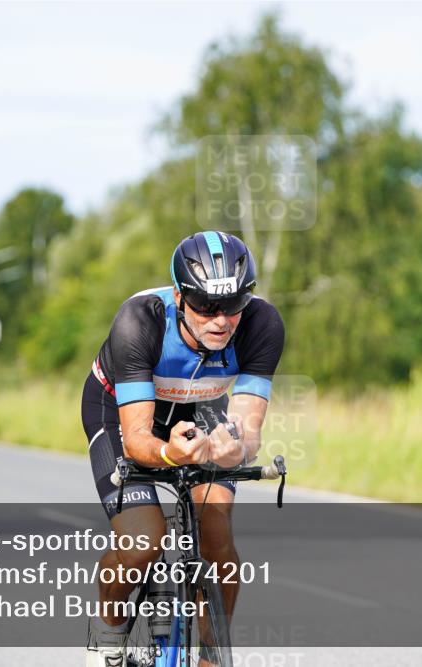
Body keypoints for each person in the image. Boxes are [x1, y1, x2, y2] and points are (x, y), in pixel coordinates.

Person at [83, 231, 284, 666]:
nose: (221, 320)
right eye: (206, 306)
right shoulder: (139, 320)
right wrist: (171, 455)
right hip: (121, 409)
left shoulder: (263, 324)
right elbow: (137, 439)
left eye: (233, 305)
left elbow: (247, 430)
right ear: (178, 295)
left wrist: (235, 451)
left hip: (202, 406)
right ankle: (108, 635)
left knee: (216, 533)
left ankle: (212, 656)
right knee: (143, 541)